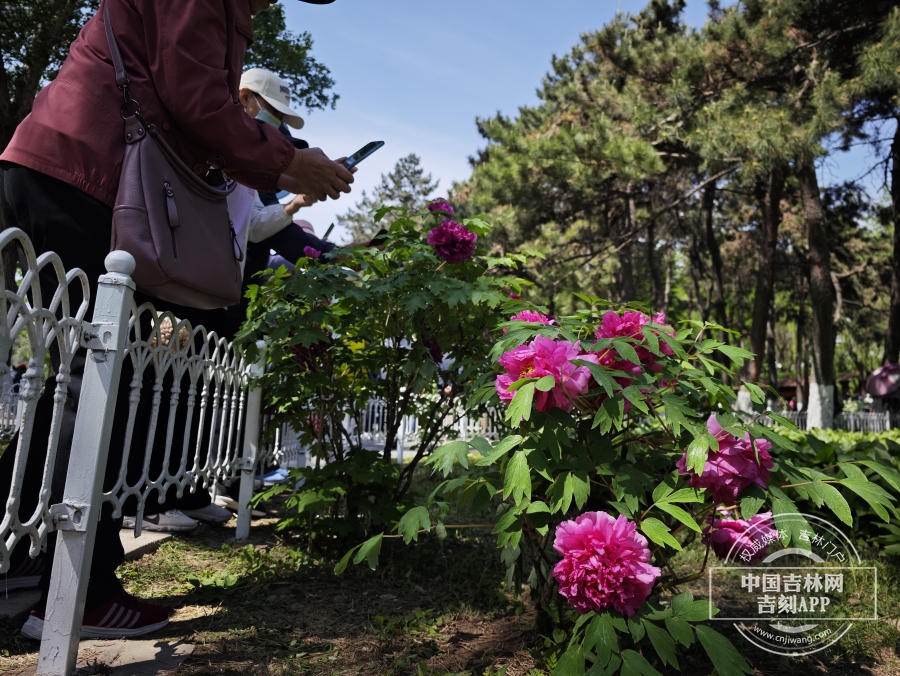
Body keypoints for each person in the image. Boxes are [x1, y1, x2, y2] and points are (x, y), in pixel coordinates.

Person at [0, 0, 352, 640]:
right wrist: (290, 161)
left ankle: (35, 566)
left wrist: (281, 160)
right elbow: (195, 100)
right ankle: (69, 592)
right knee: (101, 381)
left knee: (90, 379)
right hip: (88, 174)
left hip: (76, 168)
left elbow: (192, 110)